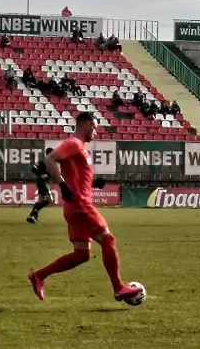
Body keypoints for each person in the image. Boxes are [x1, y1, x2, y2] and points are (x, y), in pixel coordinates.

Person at [28, 112, 140, 303]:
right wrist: (62, 185)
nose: (95, 132)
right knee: (108, 240)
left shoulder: (81, 149)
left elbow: (76, 175)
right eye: (94, 127)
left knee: (81, 254)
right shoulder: (74, 143)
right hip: (80, 205)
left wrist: (93, 183)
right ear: (86, 124)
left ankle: (38, 275)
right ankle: (119, 288)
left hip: (75, 207)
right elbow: (50, 160)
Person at [27, 148, 54, 224]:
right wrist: (41, 175)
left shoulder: (49, 162)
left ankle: (33, 216)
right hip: (43, 182)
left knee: (41, 201)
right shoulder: (44, 162)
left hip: (42, 182)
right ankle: (33, 214)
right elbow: (33, 168)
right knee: (50, 201)